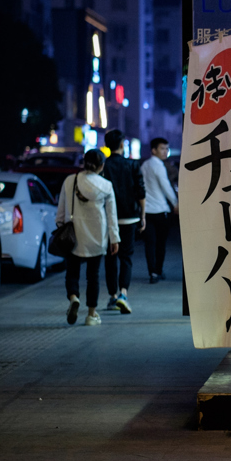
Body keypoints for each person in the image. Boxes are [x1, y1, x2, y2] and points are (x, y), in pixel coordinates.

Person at [55, 149, 120, 326]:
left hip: (74, 236)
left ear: (84, 162)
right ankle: (91, 315)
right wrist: (115, 239)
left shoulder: (70, 180)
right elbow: (111, 215)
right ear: (102, 166)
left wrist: (61, 225)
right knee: (93, 276)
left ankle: (74, 298)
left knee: (72, 273)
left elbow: (61, 210)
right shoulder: (106, 186)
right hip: (97, 236)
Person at [101, 129, 145, 314]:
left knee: (110, 257)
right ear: (121, 144)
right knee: (126, 256)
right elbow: (140, 191)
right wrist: (143, 215)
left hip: (108, 218)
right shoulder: (133, 165)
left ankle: (112, 297)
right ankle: (123, 293)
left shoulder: (103, 165)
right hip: (130, 217)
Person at [141, 137, 179, 283]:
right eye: (162, 148)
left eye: (166, 149)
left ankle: (152, 272)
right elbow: (166, 187)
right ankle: (158, 269)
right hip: (161, 210)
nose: (165, 152)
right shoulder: (158, 166)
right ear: (154, 150)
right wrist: (175, 203)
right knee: (160, 243)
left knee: (149, 243)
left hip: (147, 211)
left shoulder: (144, 165)